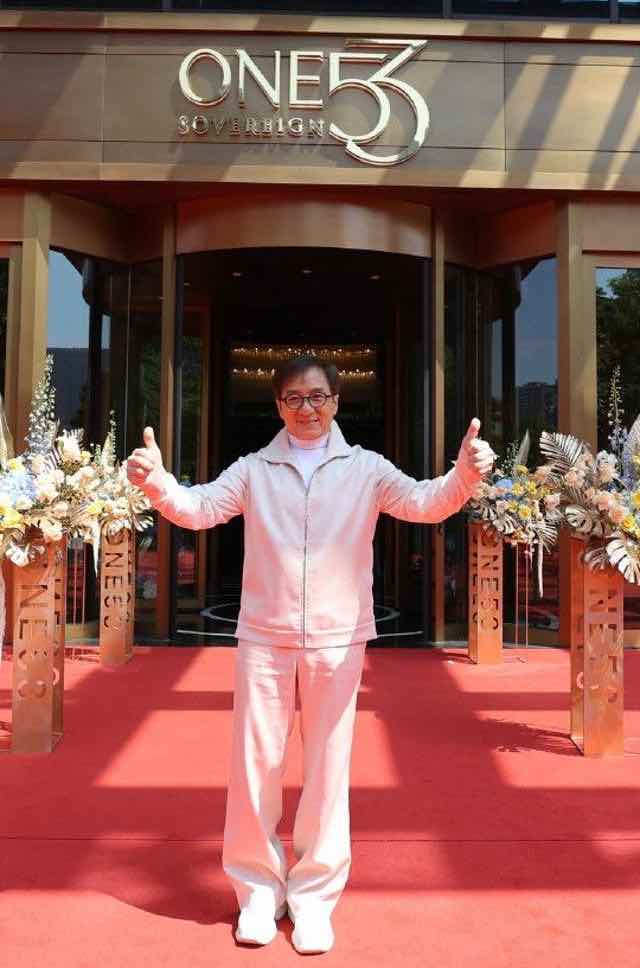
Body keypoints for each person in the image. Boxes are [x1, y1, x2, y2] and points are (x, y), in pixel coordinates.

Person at [126, 355, 494, 955]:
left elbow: (426, 502)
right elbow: (201, 508)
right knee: (256, 766)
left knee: (328, 768)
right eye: (294, 398)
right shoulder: (255, 469)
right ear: (278, 406)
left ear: (336, 402)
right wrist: (158, 483)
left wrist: (464, 476)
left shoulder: (366, 469)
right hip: (264, 635)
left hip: (337, 637)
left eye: (318, 396)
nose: (307, 408)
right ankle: (256, 893)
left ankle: (315, 898)